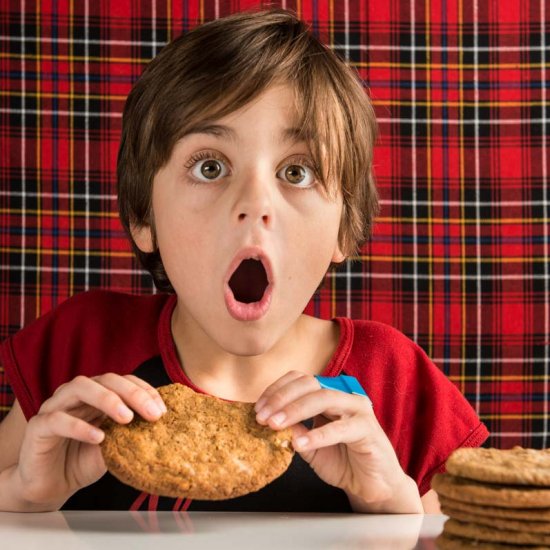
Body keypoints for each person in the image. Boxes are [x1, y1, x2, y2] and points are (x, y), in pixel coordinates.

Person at [0, 8, 488, 513]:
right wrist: (21, 496)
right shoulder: (80, 347)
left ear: (345, 226)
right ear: (145, 214)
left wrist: (396, 508)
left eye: (298, 172)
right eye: (210, 166)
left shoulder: (396, 379)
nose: (255, 202)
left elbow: (478, 534)